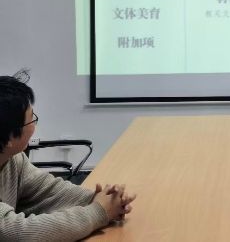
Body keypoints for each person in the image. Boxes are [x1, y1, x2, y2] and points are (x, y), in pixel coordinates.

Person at [0, 75, 137, 241]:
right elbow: (20, 233)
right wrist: (99, 211)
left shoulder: (13, 159)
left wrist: (103, 200)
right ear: (8, 138)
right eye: (31, 120)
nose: (35, 126)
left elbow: (50, 191)